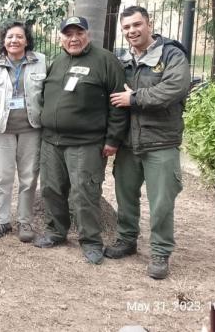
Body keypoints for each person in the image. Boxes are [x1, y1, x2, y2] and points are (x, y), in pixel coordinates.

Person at [33, 16, 128, 265]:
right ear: (61, 37)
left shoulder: (105, 60)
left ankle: (91, 242)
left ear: (88, 34)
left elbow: (118, 103)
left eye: (79, 33)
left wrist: (113, 139)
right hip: (52, 140)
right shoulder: (58, 61)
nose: (73, 38)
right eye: (68, 34)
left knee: (84, 193)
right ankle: (56, 231)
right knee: (51, 189)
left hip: (86, 142)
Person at [105, 6, 191, 279]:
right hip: (129, 142)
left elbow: (174, 88)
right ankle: (127, 240)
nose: (132, 31)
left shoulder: (171, 55)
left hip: (161, 141)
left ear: (149, 23)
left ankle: (160, 252)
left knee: (162, 202)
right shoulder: (123, 60)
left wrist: (135, 98)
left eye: (136, 24)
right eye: (127, 27)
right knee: (125, 195)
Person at [0, 21, 47, 242]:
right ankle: (0, 221)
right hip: (3, 129)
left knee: (28, 178)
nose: (14, 41)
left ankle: (24, 221)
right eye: (9, 37)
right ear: (3, 41)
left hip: (31, 128)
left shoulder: (41, 62)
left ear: (27, 40)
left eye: (19, 37)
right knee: (3, 177)